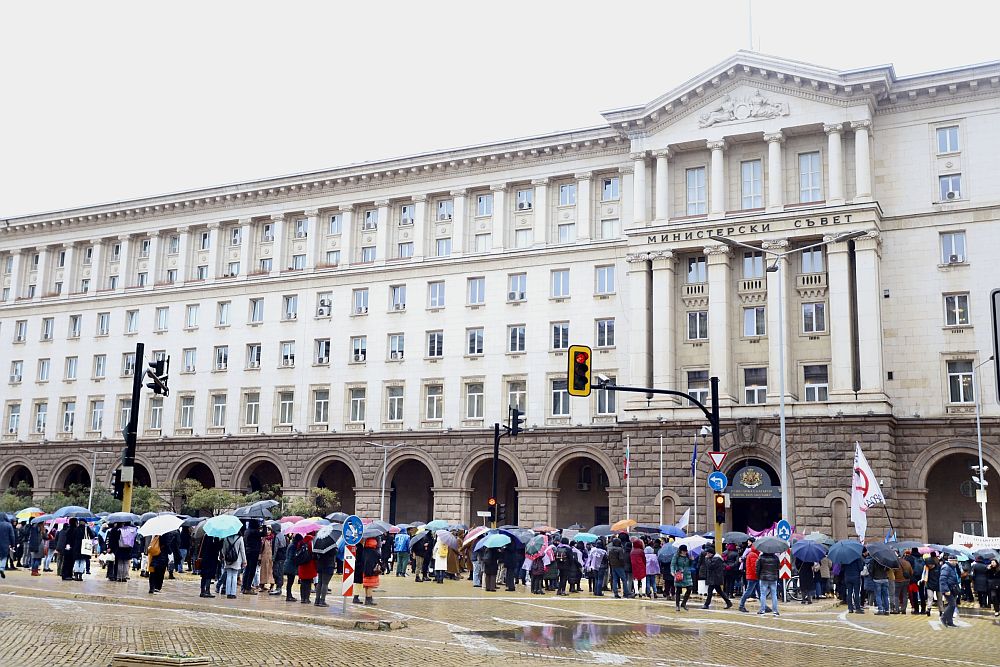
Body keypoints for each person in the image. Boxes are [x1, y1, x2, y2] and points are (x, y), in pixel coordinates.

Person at [938, 555, 961, 627]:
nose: (956, 562)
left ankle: (950, 621)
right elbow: (942, 579)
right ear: (950, 561)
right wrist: (946, 590)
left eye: (956, 561)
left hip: (953, 588)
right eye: (954, 561)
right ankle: (943, 618)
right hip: (948, 589)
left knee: (952, 605)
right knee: (952, 604)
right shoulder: (946, 567)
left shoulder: (953, 567)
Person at [221, 531, 246, 599]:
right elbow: (242, 550)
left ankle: (228, 593)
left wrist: (225, 557)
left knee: (229, 576)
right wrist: (244, 560)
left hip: (228, 560)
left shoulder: (226, 538)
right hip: (237, 560)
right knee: (235, 576)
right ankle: (233, 593)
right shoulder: (240, 538)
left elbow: (224, 550)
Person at [296, 531, 317, 604]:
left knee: (303, 582)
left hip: (302, 565)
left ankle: (302, 598)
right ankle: (306, 598)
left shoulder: (301, 542)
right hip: (309, 564)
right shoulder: (311, 542)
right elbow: (313, 554)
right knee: (308, 582)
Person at [757, 550, 780, 616]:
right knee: (774, 594)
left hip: (763, 578)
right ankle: (775, 611)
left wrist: (758, 576)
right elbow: (778, 567)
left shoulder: (761, 557)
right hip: (773, 578)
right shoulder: (776, 558)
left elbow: (758, 568)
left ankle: (762, 610)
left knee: (763, 594)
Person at [314, 541, 337, 607]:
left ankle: (317, 600)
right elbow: (334, 553)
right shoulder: (331, 544)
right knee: (325, 583)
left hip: (320, 564)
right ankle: (322, 600)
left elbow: (315, 555)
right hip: (328, 565)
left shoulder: (319, 543)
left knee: (320, 582)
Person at [241, 520, 262, 594]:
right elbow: (264, 534)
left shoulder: (247, 531)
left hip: (247, 551)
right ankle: (248, 587)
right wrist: (264, 525)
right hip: (254, 552)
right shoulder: (254, 532)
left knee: (247, 569)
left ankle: (244, 587)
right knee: (252, 570)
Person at [738, 544, 760, 613]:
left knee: (759, 592)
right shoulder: (753, 555)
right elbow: (754, 567)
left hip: (753, 576)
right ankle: (741, 605)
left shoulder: (753, 554)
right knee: (748, 591)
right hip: (753, 576)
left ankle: (764, 606)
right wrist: (758, 573)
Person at [670, 545, 693, 611]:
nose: (684, 552)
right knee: (678, 590)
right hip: (679, 574)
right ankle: (677, 605)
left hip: (687, 574)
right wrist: (672, 571)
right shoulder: (676, 556)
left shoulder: (688, 556)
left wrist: (691, 560)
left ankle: (684, 603)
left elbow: (690, 565)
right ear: (680, 551)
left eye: (685, 551)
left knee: (690, 588)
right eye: (683, 551)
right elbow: (673, 564)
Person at [360, 537, 381, 605]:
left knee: (366, 585)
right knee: (370, 586)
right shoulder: (375, 552)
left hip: (365, 570)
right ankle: (369, 599)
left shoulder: (364, 550)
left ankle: (367, 598)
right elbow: (379, 560)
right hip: (372, 571)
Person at [270, 528, 288, 596]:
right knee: (279, 572)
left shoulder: (277, 536)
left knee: (277, 572)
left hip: (278, 557)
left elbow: (275, 548)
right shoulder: (282, 535)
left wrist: (273, 557)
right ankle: (278, 587)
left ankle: (278, 588)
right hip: (282, 557)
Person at [283, 534, 301, 601]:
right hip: (290, 566)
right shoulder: (293, 546)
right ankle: (288, 596)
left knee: (290, 582)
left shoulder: (291, 544)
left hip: (288, 565)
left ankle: (289, 595)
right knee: (290, 582)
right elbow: (292, 557)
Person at [259, 526, 275, 593]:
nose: (268, 531)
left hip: (271, 558)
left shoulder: (273, 539)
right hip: (264, 557)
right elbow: (260, 549)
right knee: (263, 572)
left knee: (271, 572)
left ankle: (272, 585)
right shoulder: (263, 539)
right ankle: (262, 585)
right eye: (267, 530)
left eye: (269, 530)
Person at [0, 515, 15, 579]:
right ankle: (1, 568)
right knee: (4, 557)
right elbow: (12, 536)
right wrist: (13, 544)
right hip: (5, 544)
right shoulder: (9, 525)